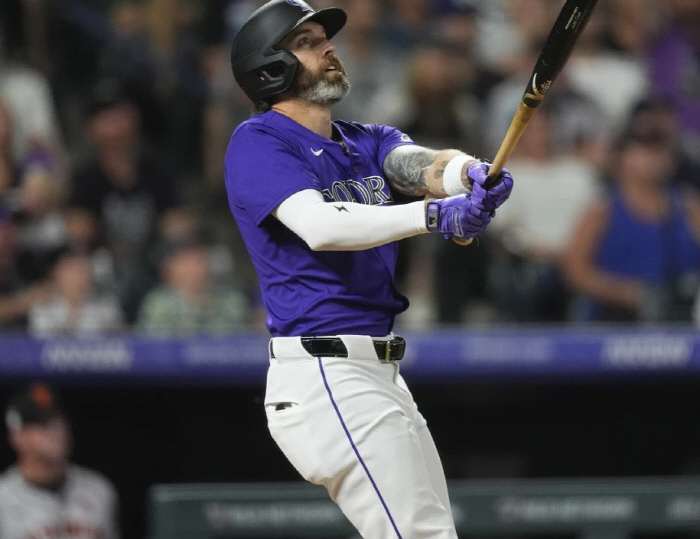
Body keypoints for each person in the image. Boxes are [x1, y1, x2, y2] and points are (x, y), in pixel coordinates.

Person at [224, 2, 513, 538]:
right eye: (308, 42)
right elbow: (320, 225)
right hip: (325, 373)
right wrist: (433, 216)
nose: (329, 47)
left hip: (377, 374)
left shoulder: (364, 139)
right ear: (269, 68)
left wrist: (473, 174)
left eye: (324, 38)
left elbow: (425, 165)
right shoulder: (258, 141)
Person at [0, 383, 120, 539]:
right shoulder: (3, 499)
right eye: (43, 425)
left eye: (58, 420)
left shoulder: (98, 490)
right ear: (17, 437)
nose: (56, 431)